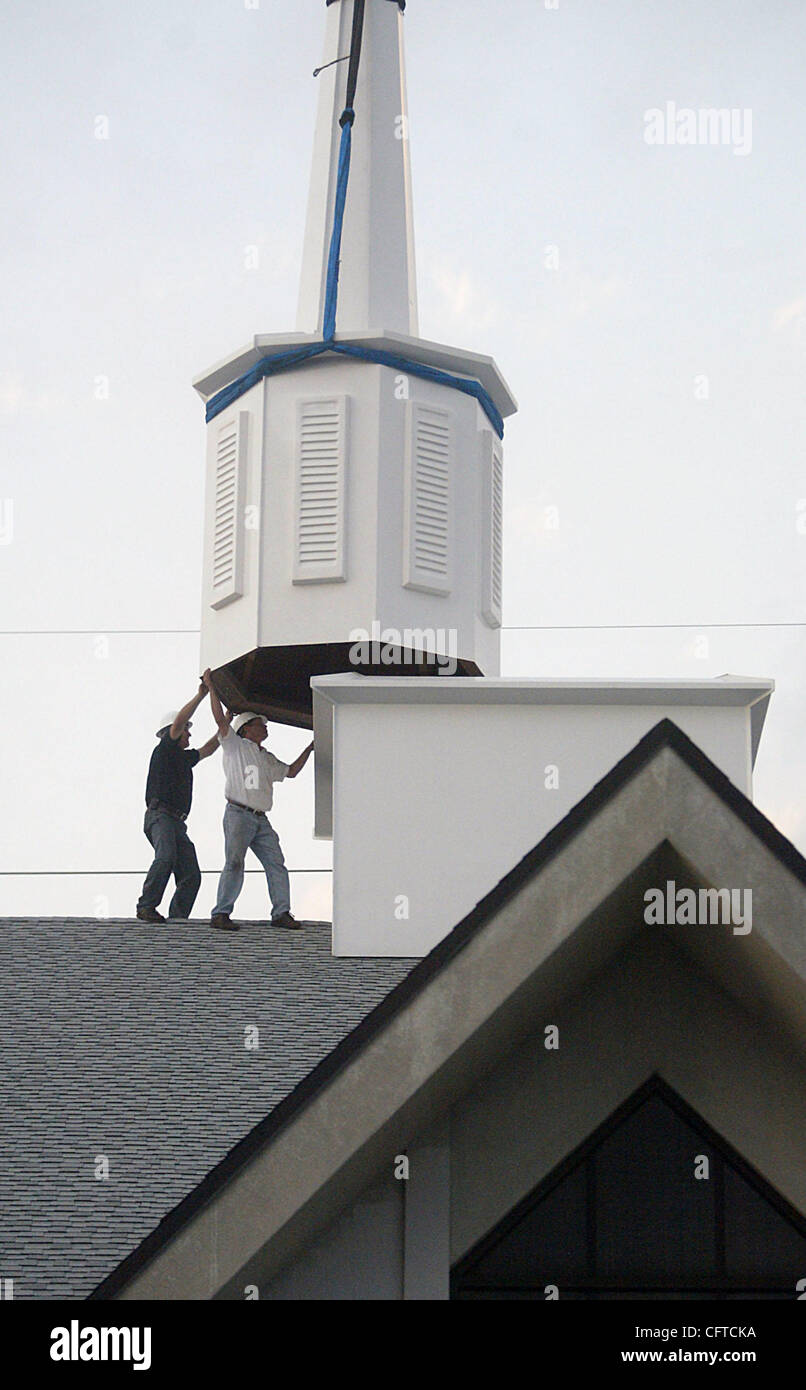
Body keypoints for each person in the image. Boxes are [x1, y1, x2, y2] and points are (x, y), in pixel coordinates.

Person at [202, 668, 314, 932]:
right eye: (260, 724)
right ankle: (221, 913)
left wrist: (310, 748)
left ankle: (281, 912)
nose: (265, 727)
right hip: (239, 814)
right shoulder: (235, 745)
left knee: (276, 863)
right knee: (234, 862)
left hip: (259, 819)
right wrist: (211, 688)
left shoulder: (266, 757)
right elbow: (220, 720)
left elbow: (292, 772)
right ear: (246, 729)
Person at [135, 683, 220, 923]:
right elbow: (180, 722)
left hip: (175, 822)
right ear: (172, 732)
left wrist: (226, 727)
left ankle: (177, 920)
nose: (189, 734)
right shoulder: (164, 750)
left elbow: (208, 750)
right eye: (187, 731)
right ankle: (146, 906)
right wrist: (201, 695)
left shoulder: (183, 758)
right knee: (166, 857)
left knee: (191, 875)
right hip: (160, 817)